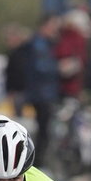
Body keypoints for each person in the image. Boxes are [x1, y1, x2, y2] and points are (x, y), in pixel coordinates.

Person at [25, 13, 62, 167]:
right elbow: (40, 67)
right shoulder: (39, 44)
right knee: (43, 131)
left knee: (44, 130)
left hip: (44, 92)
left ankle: (38, 163)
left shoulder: (46, 43)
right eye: (53, 26)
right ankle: (37, 164)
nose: (56, 30)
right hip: (42, 94)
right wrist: (59, 68)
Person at [56, 9, 91, 100]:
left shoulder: (77, 38)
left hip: (71, 84)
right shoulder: (62, 36)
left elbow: (80, 60)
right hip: (60, 84)